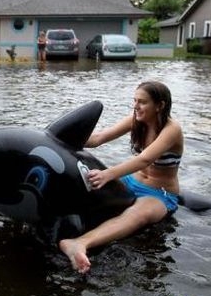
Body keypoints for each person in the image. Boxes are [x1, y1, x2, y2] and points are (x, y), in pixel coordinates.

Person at [59, 80, 183, 274]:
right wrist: (66, 138)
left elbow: (144, 159)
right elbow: (99, 138)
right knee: (86, 186)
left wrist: (108, 174)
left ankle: (79, 243)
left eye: (142, 102)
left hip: (159, 194)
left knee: (136, 216)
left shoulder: (172, 129)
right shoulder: (137, 119)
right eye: (134, 101)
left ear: (160, 105)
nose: (136, 106)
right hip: (131, 181)